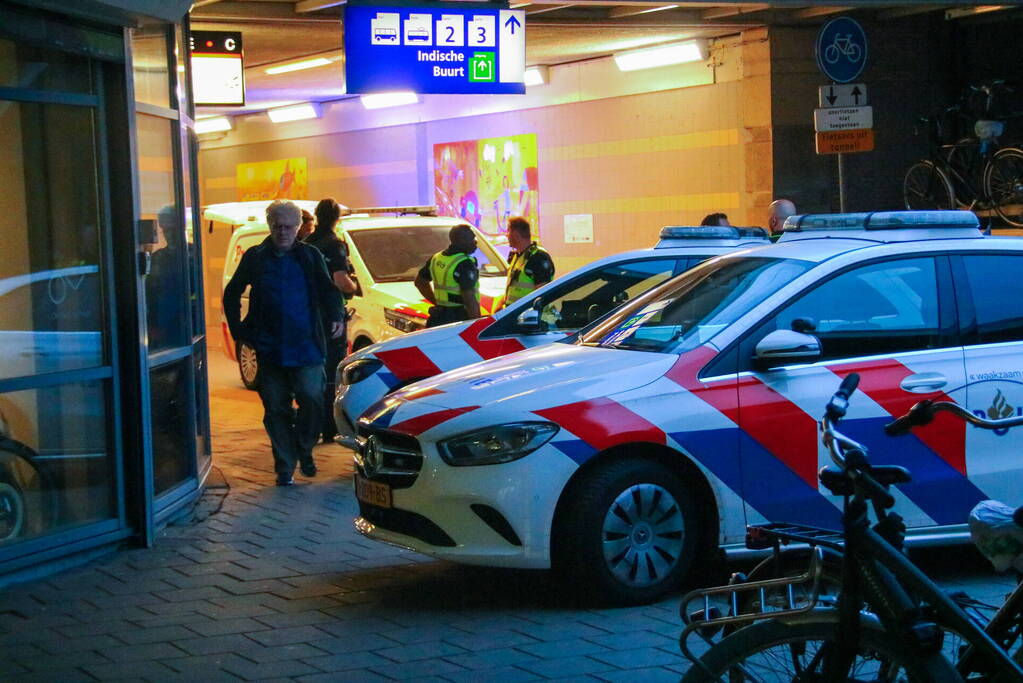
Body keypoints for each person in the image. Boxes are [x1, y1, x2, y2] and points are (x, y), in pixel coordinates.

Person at [223, 200, 344, 486]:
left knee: (312, 399)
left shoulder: (310, 256)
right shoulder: (255, 257)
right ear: (270, 226)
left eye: (288, 227)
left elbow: (330, 290)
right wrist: (238, 329)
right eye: (277, 226)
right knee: (276, 408)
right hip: (269, 346)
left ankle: (305, 448)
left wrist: (336, 316)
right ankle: (285, 467)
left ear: (298, 228)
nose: (282, 232)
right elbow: (232, 292)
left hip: (306, 346)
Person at [304, 198, 357, 444]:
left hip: (307, 316)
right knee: (331, 371)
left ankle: (309, 425)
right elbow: (340, 281)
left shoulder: (307, 243)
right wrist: (353, 287)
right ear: (337, 218)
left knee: (310, 370)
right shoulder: (335, 245)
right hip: (330, 317)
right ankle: (328, 426)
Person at [415, 224, 481, 328]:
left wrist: (437, 302)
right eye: (472, 239)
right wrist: (477, 326)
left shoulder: (436, 258)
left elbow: (420, 282)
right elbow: (469, 299)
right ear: (462, 241)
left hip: (438, 316)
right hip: (459, 318)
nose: (475, 243)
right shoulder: (465, 263)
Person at [502, 216, 554, 309]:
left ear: (516, 235)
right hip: (515, 314)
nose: (506, 235)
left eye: (508, 231)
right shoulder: (518, 256)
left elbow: (543, 294)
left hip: (529, 316)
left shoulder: (538, 257)